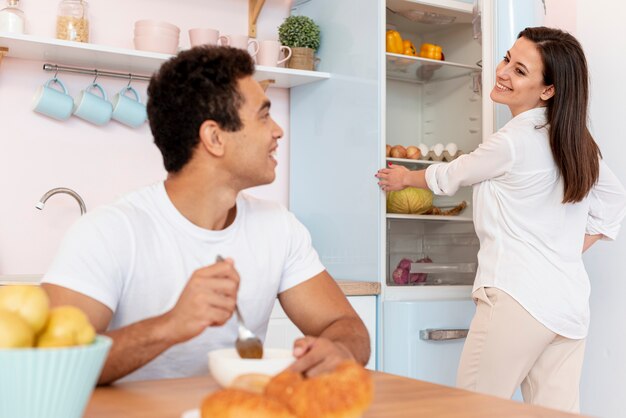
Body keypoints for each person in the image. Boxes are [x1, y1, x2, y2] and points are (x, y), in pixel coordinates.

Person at [41, 46, 370, 384]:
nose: (278, 131)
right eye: (264, 115)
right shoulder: (108, 232)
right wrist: (171, 325)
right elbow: (52, 363)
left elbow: (347, 327)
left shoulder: (278, 227)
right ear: (214, 137)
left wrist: (338, 351)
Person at [376, 26, 626, 413]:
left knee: (473, 409)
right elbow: (613, 198)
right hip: (568, 306)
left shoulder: (513, 140)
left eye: (520, 70)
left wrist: (405, 177)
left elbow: (454, 174)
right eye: (507, 58)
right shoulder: (576, 141)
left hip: (516, 300)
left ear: (548, 90)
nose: (503, 71)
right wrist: (569, 248)